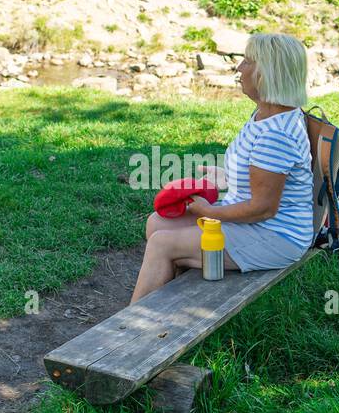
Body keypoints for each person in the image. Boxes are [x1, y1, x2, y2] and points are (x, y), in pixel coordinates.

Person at [130, 33, 315, 304]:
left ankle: (132, 329)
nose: (239, 68)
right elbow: (264, 174)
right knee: (157, 222)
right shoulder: (265, 115)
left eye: (248, 62)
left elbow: (263, 208)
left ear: (268, 72)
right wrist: (225, 176)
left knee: (161, 244)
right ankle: (172, 299)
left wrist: (210, 211)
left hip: (275, 236)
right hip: (255, 224)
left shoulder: (276, 134)